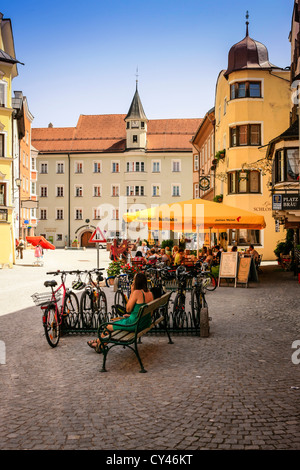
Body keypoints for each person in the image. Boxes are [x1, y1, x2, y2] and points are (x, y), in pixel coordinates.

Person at [87, 272, 153, 352]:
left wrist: (132, 292)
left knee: (108, 326)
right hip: (145, 323)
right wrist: (135, 315)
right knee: (116, 322)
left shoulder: (137, 292)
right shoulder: (150, 293)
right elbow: (150, 313)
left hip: (134, 324)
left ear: (137, 282)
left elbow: (128, 309)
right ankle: (98, 342)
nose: (132, 282)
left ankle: (99, 345)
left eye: (134, 280)